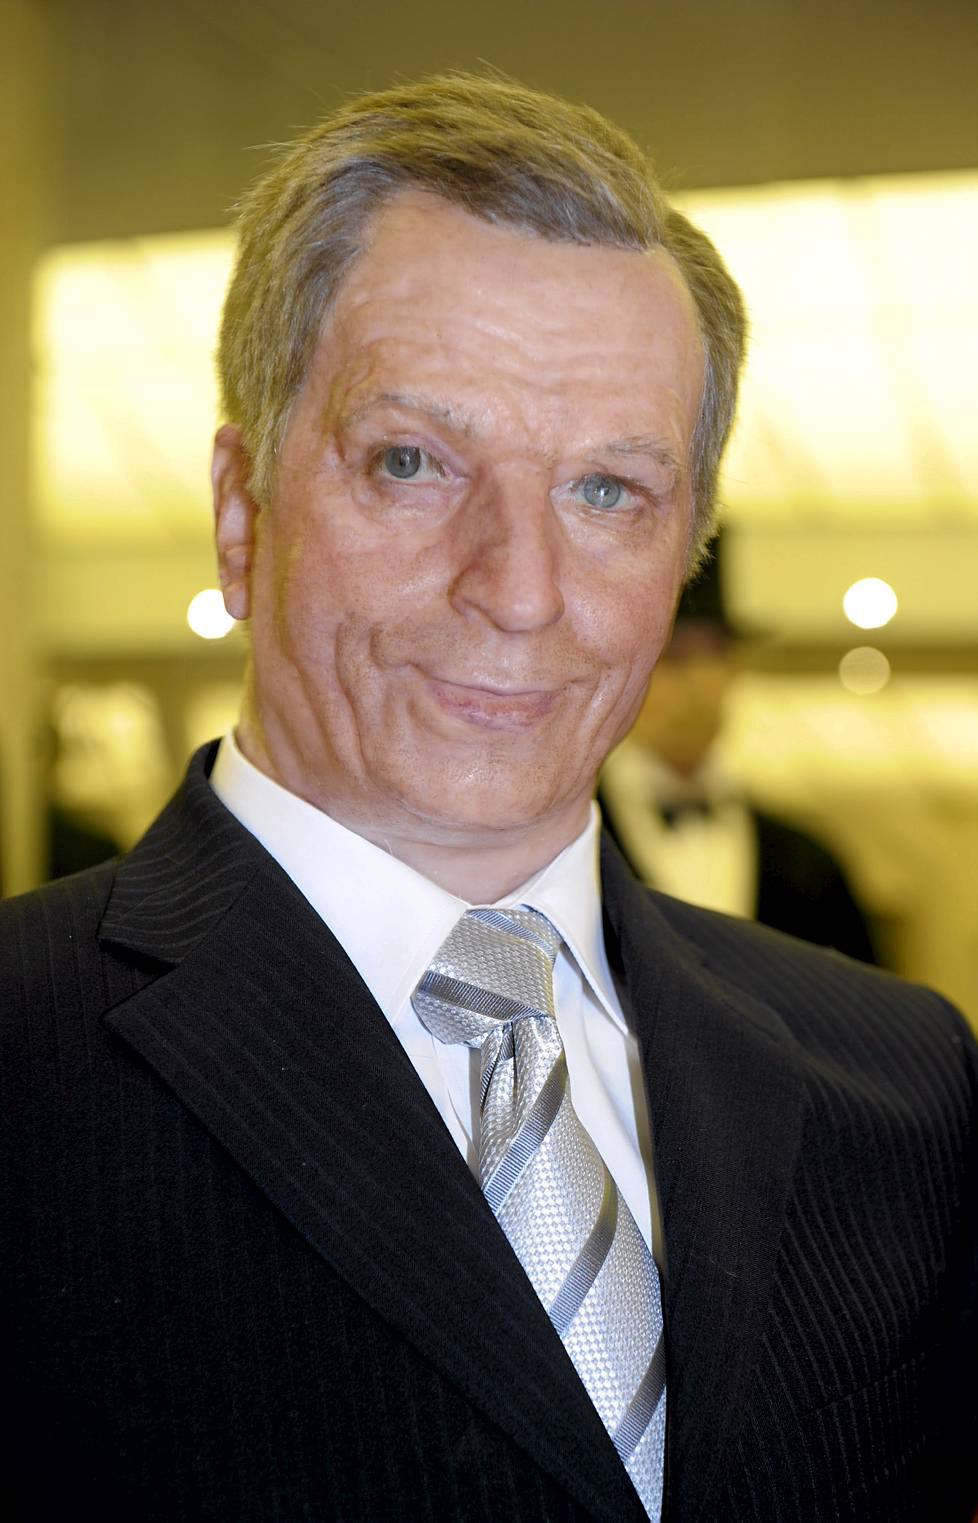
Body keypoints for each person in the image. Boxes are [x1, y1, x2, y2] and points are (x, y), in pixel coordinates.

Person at [1, 74, 975, 1523]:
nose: (518, 588)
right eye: (412, 461)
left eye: (607, 490)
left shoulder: (900, 1087)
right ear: (240, 514)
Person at [600, 537, 879, 962]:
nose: (698, 686)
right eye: (673, 657)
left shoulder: (809, 866)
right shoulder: (568, 849)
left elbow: (860, 995)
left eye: (715, 655)